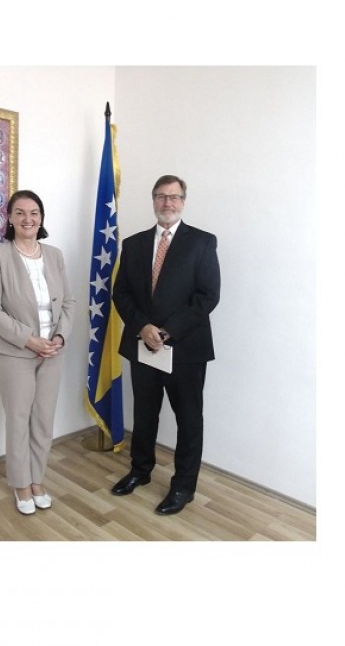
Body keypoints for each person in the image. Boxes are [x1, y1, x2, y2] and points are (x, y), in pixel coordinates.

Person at [111, 175, 221, 515]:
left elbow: (207, 296)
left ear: (183, 201)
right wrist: (143, 327)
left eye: (174, 197)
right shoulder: (134, 244)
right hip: (143, 345)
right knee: (144, 414)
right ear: (153, 200)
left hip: (185, 350)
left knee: (189, 420)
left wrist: (167, 331)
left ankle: (183, 487)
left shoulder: (202, 242)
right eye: (161, 196)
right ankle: (140, 470)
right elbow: (121, 293)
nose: (167, 203)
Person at [0, 190, 76, 515]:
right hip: (14, 353)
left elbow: (69, 302)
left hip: (53, 352)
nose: (27, 219)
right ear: (9, 218)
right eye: (20, 213)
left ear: (41, 217)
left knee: (44, 420)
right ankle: (21, 484)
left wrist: (60, 336)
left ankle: (37, 480)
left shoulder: (55, 255)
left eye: (34, 212)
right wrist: (29, 340)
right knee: (19, 420)